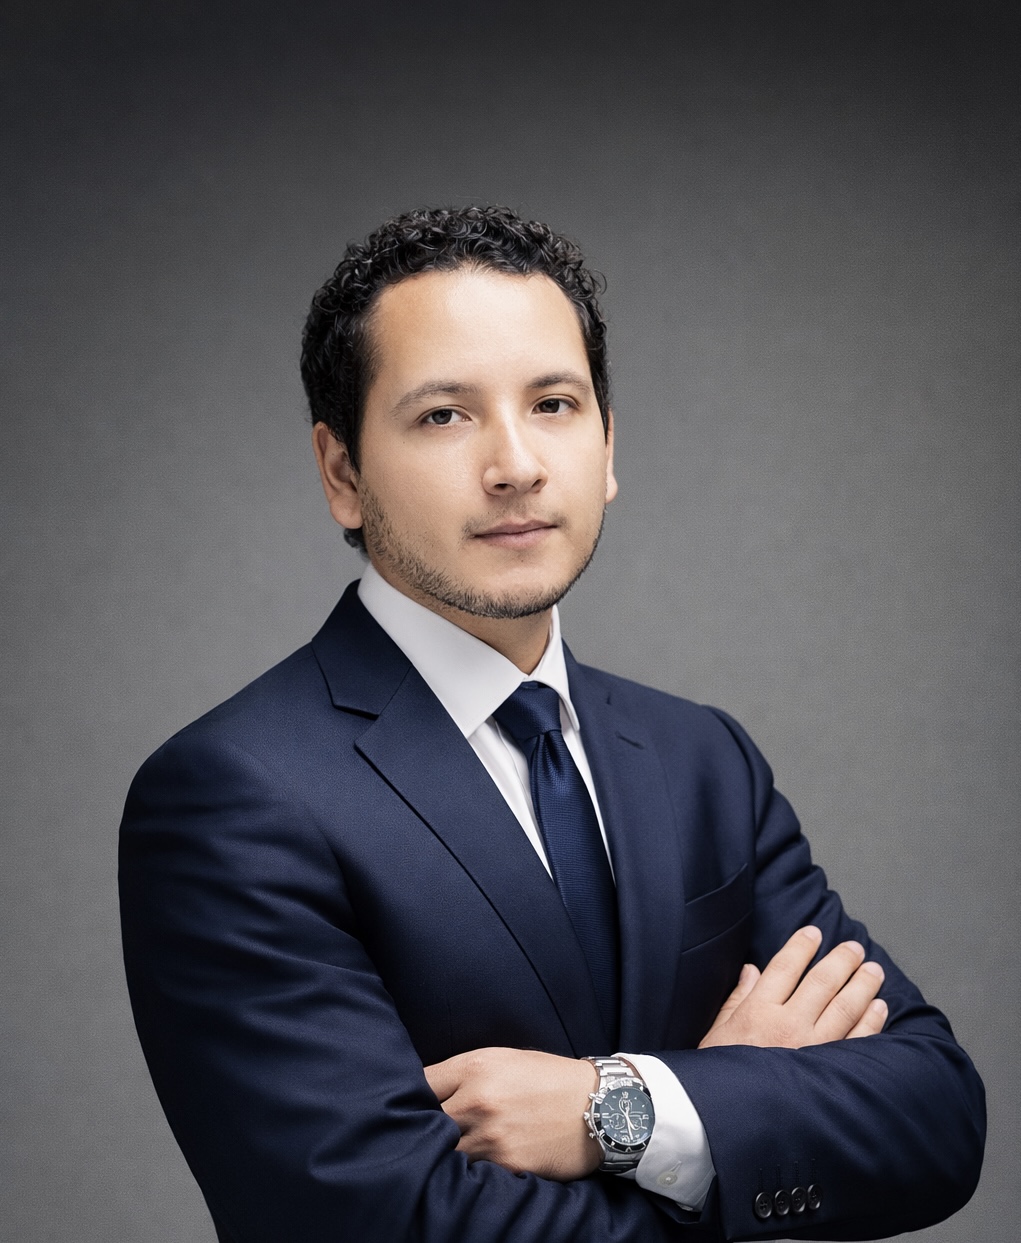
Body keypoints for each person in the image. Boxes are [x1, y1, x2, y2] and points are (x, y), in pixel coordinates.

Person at [119, 205, 985, 1243]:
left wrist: (614, 1107)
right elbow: (385, 1220)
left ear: (609, 446)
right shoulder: (232, 794)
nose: (516, 463)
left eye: (555, 403)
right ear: (341, 472)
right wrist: (734, 1109)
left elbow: (935, 1114)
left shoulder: (699, 759)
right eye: (444, 414)